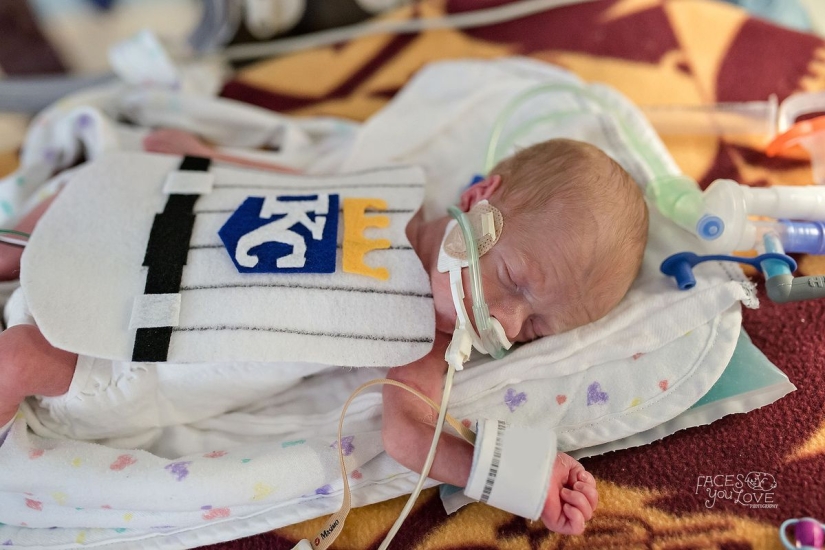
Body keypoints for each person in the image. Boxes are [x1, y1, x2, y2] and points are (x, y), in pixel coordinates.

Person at [0, 136, 648, 535]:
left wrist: (517, 477)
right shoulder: (388, 197)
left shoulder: (417, 333)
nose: (504, 321)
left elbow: (408, 437)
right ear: (482, 197)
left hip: (139, 360)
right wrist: (196, 152)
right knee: (74, 203)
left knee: (21, 356)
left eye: (532, 329)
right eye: (513, 279)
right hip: (146, 260)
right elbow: (287, 191)